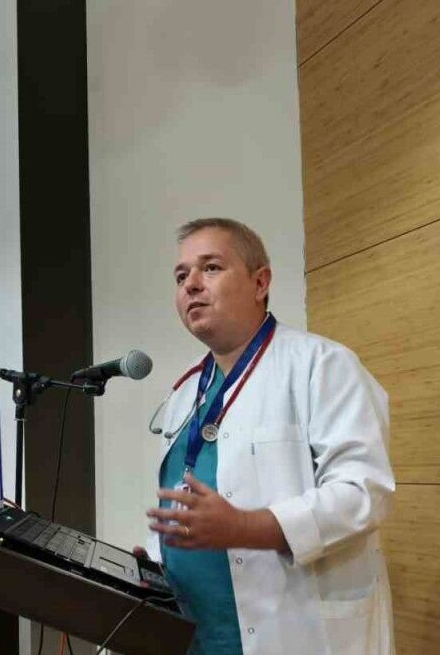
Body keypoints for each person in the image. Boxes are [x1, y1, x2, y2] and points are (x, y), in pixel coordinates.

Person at [143, 217, 395, 655]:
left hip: (294, 633)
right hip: (196, 635)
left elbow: (363, 493)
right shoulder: (187, 391)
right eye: (181, 276)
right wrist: (156, 560)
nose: (191, 285)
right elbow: (184, 497)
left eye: (211, 268)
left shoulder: (322, 365)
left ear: (260, 282)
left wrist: (245, 527)